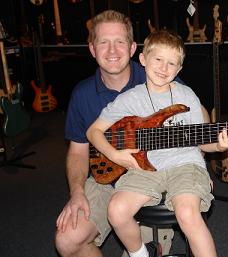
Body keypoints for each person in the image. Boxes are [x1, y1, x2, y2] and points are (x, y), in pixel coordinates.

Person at [86, 29, 228, 257]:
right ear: (142, 59)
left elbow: (201, 142)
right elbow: (94, 131)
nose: (163, 68)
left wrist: (219, 146)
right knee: (116, 210)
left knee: (188, 214)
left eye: (172, 64)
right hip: (144, 168)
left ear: (179, 69)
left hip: (185, 164)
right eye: (158, 59)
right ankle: (139, 253)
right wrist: (115, 155)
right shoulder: (130, 98)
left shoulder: (187, 95)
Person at [55, 10, 175, 257]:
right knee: (67, 241)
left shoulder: (156, 75)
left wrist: (200, 162)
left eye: (119, 42)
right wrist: (76, 194)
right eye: (103, 42)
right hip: (105, 178)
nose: (112, 51)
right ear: (92, 49)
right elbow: (77, 152)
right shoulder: (82, 94)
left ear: (132, 48)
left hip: (154, 175)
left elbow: (195, 113)